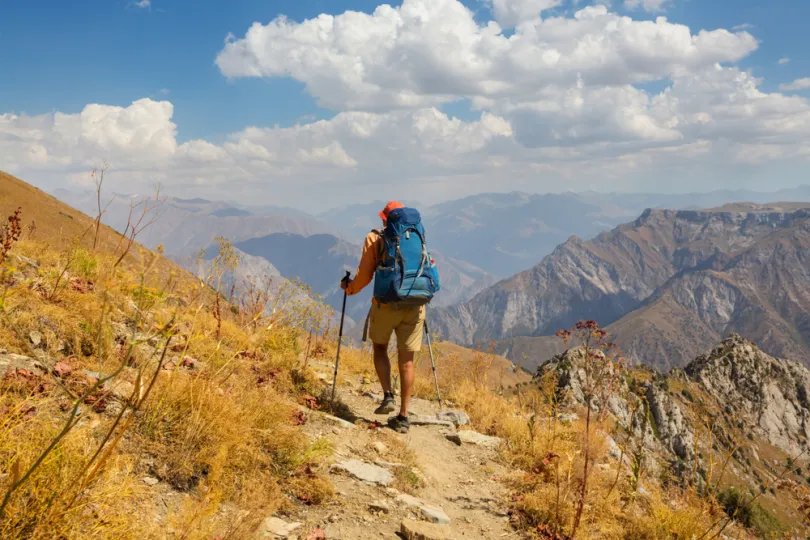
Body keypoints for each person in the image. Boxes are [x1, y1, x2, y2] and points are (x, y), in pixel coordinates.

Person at [341, 201, 426, 433]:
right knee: (407, 361)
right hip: (415, 304)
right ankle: (404, 416)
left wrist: (349, 288)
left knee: (380, 347)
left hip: (386, 304)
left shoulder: (375, 238)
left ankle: (388, 394)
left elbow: (364, 276)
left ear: (385, 219)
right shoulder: (416, 235)